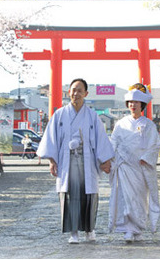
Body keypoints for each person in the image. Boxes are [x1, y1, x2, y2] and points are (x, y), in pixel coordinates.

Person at [37, 78, 113, 244]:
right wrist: (52, 160)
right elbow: (51, 139)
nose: (76, 93)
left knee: (89, 195)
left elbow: (101, 138)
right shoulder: (60, 115)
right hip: (67, 160)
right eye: (73, 90)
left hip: (87, 161)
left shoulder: (92, 116)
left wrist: (105, 160)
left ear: (86, 94)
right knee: (71, 195)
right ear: (69, 92)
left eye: (80, 90)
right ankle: (74, 232)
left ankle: (89, 230)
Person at [108, 84, 160, 242]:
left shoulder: (149, 125)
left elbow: (155, 145)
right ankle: (128, 229)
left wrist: (146, 157)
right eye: (130, 102)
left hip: (140, 166)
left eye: (136, 102)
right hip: (124, 165)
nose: (133, 105)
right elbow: (113, 142)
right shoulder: (120, 123)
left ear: (142, 105)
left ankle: (138, 228)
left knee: (139, 197)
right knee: (126, 197)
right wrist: (108, 159)